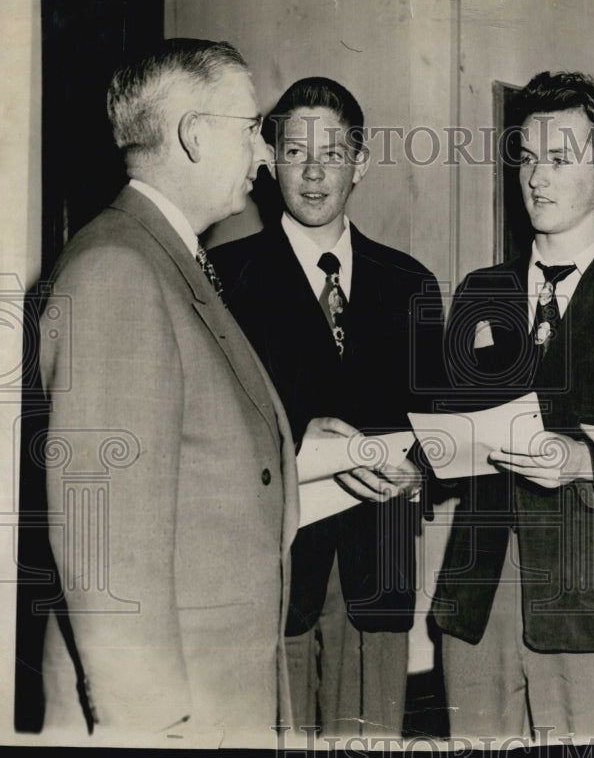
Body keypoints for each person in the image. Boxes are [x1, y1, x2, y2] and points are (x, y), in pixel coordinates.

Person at [35, 39, 350, 746]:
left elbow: (193, 479)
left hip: (219, 692)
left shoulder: (165, 257)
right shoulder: (119, 268)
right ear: (194, 134)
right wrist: (149, 723)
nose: (266, 156)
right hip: (175, 715)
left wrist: (309, 459)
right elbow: (104, 542)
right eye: (253, 131)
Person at [433, 71, 594, 743]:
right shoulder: (481, 291)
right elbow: (448, 424)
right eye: (526, 156)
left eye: (559, 159)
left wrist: (586, 462)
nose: (537, 177)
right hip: (478, 597)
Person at [208, 77, 446, 738]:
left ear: (360, 164)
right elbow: (203, 430)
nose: (313, 172)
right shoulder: (221, 278)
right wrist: (286, 434)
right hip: (269, 570)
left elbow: (441, 423)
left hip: (381, 567)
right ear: (270, 159)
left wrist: (421, 472)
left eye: (333, 153)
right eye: (295, 151)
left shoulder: (410, 283)